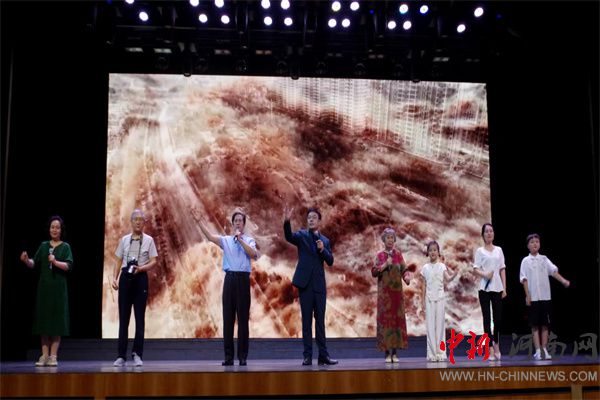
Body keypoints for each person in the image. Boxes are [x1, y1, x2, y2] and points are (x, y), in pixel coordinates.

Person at [194, 210, 258, 366]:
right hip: (230, 280)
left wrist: (240, 240)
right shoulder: (226, 240)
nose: (238, 223)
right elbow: (210, 237)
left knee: (243, 320)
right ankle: (229, 357)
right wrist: (199, 222)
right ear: (232, 223)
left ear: (244, 224)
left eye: (240, 221)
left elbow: (253, 254)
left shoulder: (249, 240)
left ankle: (242, 357)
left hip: (243, 280)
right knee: (228, 319)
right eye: (235, 220)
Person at [284, 206, 337, 366]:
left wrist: (323, 250)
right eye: (309, 218)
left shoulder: (325, 241)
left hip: (319, 286)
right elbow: (288, 236)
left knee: (320, 322)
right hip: (305, 285)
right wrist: (287, 221)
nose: (311, 220)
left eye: (314, 217)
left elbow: (330, 261)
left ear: (319, 221)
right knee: (306, 322)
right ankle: (307, 356)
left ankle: (323, 356)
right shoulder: (302, 236)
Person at [20, 216, 73, 367]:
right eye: (52, 227)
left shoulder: (65, 247)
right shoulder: (43, 246)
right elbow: (33, 263)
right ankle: (44, 355)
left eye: (57, 227)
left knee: (57, 323)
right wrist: (26, 260)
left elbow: (69, 266)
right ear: (49, 229)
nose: (54, 230)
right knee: (43, 322)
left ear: (61, 230)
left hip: (58, 290)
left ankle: (53, 356)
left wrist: (55, 262)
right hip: (44, 289)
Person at [112, 209, 158, 367]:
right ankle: (121, 356)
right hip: (126, 278)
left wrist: (142, 268)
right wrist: (114, 278)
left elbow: (154, 261)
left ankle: (137, 354)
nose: (138, 222)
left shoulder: (149, 240)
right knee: (124, 318)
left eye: (141, 219)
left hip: (140, 278)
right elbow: (118, 260)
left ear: (144, 223)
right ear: (131, 222)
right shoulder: (124, 240)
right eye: (135, 219)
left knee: (139, 318)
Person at [519, 233, 570, 360]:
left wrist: (563, 281)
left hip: (545, 297)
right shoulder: (525, 261)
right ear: (528, 246)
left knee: (545, 324)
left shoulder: (544, 259)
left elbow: (553, 272)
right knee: (535, 325)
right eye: (532, 242)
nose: (535, 244)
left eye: (537, 241)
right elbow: (524, 279)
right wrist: (527, 295)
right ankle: (537, 351)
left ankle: (544, 349)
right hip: (533, 298)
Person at [372, 227, 412, 363]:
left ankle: (395, 353)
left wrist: (406, 277)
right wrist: (384, 265)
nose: (390, 240)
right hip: (385, 296)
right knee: (386, 323)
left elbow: (404, 269)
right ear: (384, 240)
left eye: (392, 238)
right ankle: (386, 353)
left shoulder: (398, 255)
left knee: (396, 322)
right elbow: (374, 272)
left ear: (394, 240)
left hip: (396, 295)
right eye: (388, 238)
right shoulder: (379, 255)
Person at [472, 223, 507, 361]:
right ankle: (490, 348)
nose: (489, 233)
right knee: (487, 319)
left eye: (491, 231)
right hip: (484, 288)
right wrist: (485, 274)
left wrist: (504, 288)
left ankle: (496, 343)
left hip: (497, 287)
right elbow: (475, 269)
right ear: (482, 235)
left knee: (497, 319)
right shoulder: (480, 251)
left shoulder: (499, 250)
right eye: (486, 231)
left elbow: (502, 269)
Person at [420, 241, 458, 362]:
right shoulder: (425, 268)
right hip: (429, 299)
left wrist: (454, 275)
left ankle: (440, 353)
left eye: (435, 250)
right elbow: (423, 286)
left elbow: (448, 278)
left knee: (440, 327)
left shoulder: (442, 266)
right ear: (427, 252)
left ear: (438, 252)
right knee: (430, 327)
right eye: (430, 250)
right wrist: (422, 301)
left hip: (440, 298)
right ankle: (432, 353)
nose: (433, 252)